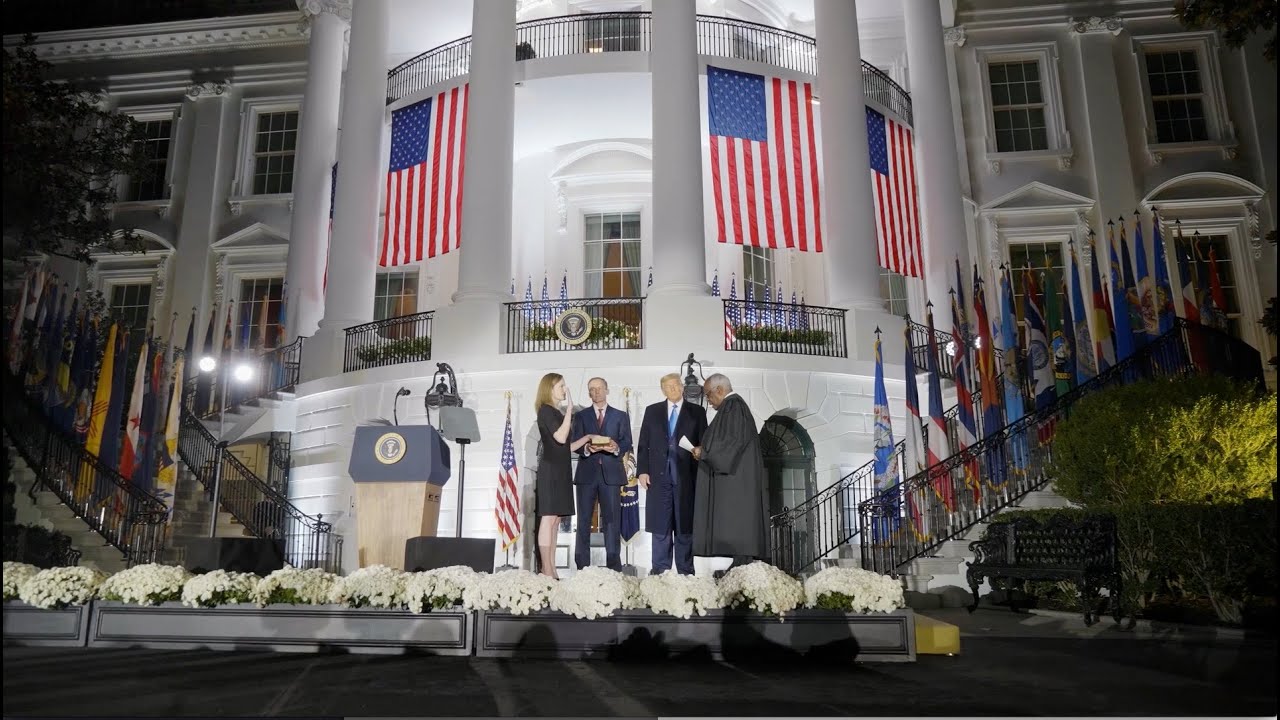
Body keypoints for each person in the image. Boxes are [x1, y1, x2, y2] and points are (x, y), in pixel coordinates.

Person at [691, 373, 768, 568]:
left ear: (720, 389)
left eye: (708, 395)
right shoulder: (732, 407)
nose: (708, 401)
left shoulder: (734, 407)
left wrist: (705, 453)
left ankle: (742, 563)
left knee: (738, 525)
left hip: (736, 480)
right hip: (737, 478)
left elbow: (730, 444)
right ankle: (739, 562)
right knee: (737, 527)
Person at [636, 372, 707, 575]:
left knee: (685, 526)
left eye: (676, 385)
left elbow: (705, 442)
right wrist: (642, 471)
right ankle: (660, 571)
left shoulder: (697, 412)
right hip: (658, 479)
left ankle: (685, 571)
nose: (673, 389)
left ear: (682, 387)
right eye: (668, 387)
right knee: (660, 526)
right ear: (663, 390)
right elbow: (643, 444)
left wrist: (700, 451)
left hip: (687, 477)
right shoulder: (652, 411)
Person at [570, 377, 633, 571]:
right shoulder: (580, 417)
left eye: (599, 388)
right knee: (583, 522)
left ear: (607, 390)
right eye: (592, 389)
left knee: (612, 522)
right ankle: (582, 567)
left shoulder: (621, 416)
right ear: (589, 393)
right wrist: (587, 449)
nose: (596, 392)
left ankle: (614, 567)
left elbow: (627, 442)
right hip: (586, 475)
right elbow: (575, 444)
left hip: (612, 475)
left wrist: (615, 448)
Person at [533, 373, 592, 579]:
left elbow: (565, 448)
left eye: (565, 385)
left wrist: (587, 438)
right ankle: (546, 569)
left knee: (556, 521)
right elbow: (560, 437)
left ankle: (552, 568)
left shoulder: (554, 412)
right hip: (550, 472)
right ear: (549, 388)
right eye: (561, 385)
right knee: (548, 519)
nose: (565, 389)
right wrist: (569, 412)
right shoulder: (547, 411)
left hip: (561, 470)